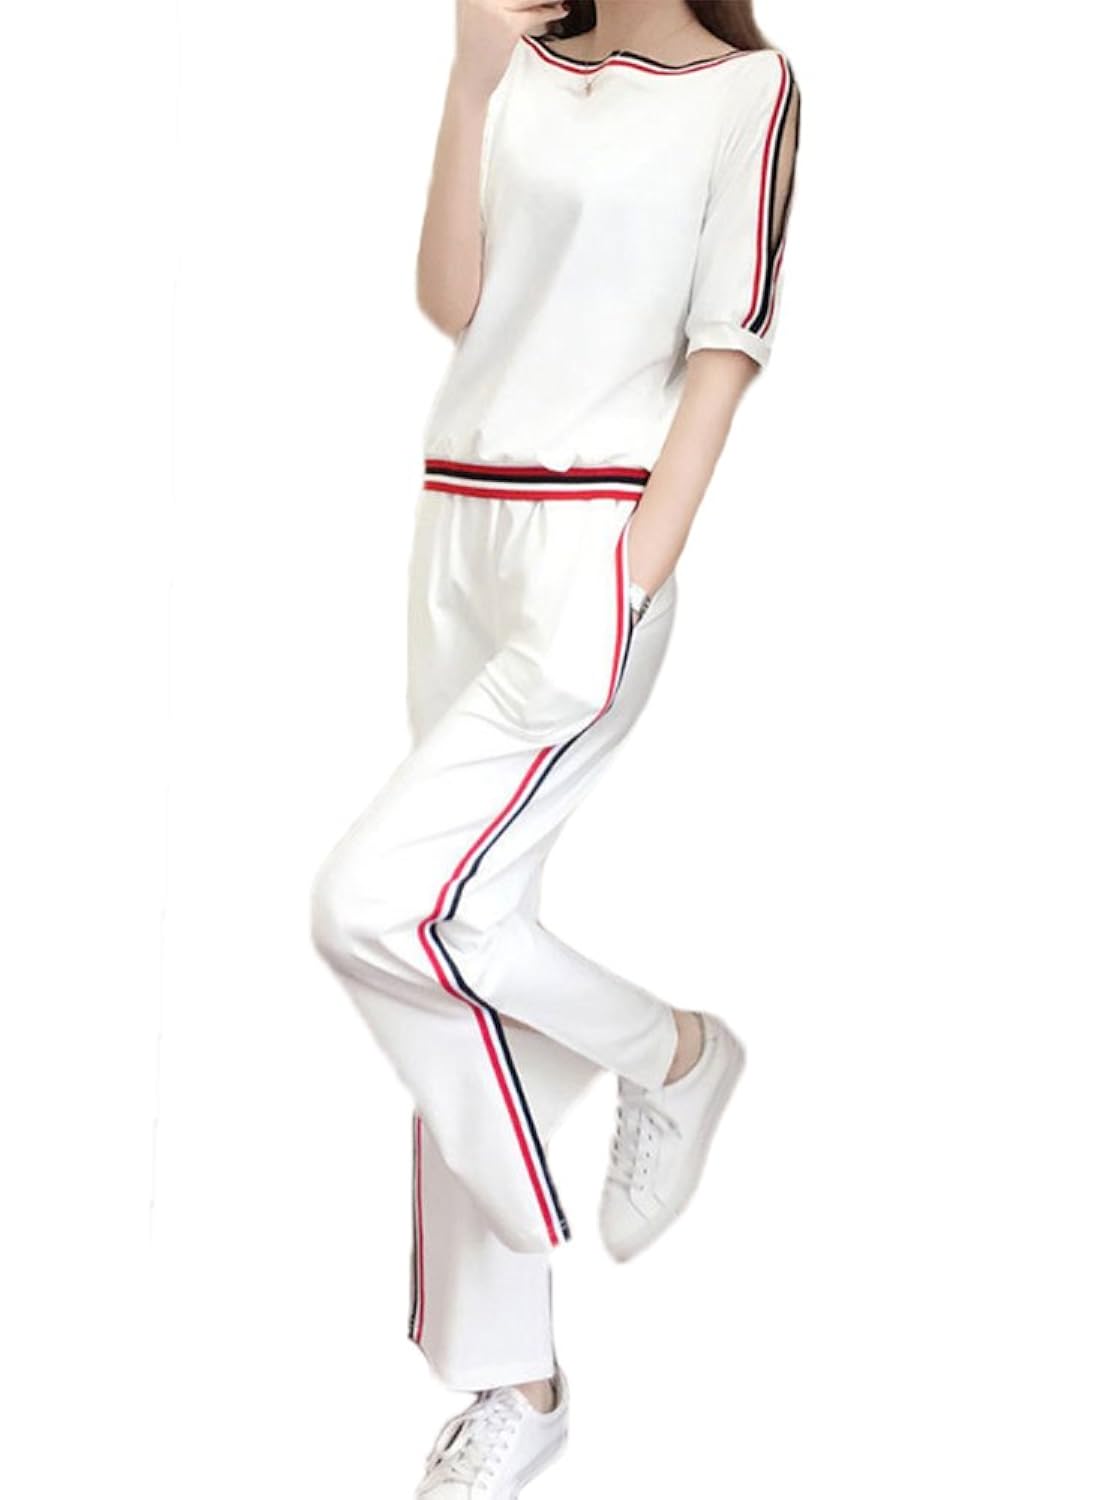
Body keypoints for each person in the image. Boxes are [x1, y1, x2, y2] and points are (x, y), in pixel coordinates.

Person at [309, 0, 801, 1493]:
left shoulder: (748, 92)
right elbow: (453, 298)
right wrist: (469, 81)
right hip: (457, 524)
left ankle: (634, 1094)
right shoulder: (518, 65)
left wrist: (639, 563)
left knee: (377, 909)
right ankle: (520, 1378)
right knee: (457, 934)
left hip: (592, 539)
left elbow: (727, 345)